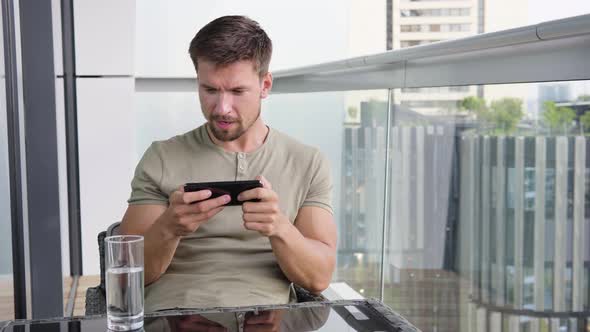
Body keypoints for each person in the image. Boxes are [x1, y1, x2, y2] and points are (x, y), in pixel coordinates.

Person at [120, 15, 337, 312]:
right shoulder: (161, 157)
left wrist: (280, 228)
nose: (222, 109)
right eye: (209, 90)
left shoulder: (307, 163)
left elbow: (318, 278)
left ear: (265, 85)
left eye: (237, 92)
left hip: (266, 318)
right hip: (175, 315)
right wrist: (169, 226)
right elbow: (126, 275)